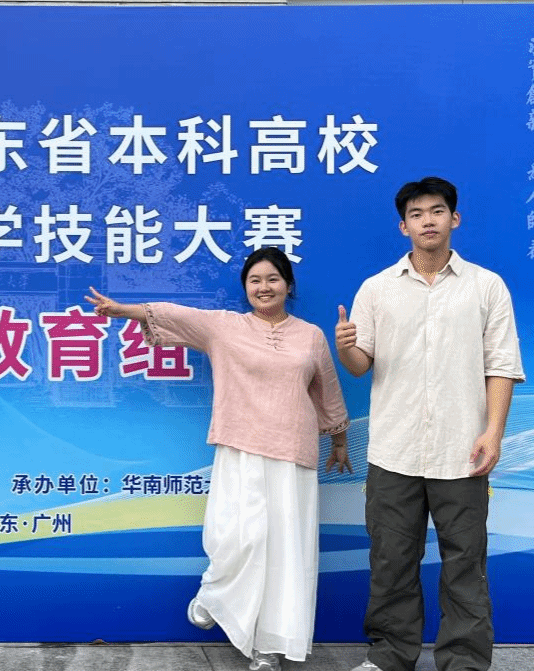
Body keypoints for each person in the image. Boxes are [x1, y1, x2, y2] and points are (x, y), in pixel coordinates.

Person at [86, 246, 352, 671]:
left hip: (293, 452)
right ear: (245, 288)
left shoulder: (311, 336)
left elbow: (328, 390)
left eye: (273, 279)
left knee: (286, 552)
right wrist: (122, 311)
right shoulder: (225, 327)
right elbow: (174, 314)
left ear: (288, 285)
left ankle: (267, 646)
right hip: (240, 445)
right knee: (238, 538)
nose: (264, 287)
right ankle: (216, 595)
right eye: (255, 280)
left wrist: (339, 440)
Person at [334, 177, 525, 671]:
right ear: (403, 227)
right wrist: (345, 347)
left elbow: (501, 365)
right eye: (416, 214)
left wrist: (493, 433)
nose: (428, 221)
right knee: (391, 561)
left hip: (462, 451)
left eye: (437, 211)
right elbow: (360, 365)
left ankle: (464, 660)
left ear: (454, 218)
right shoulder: (377, 289)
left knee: (465, 563)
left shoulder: (486, 286)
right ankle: (389, 655)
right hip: (393, 451)